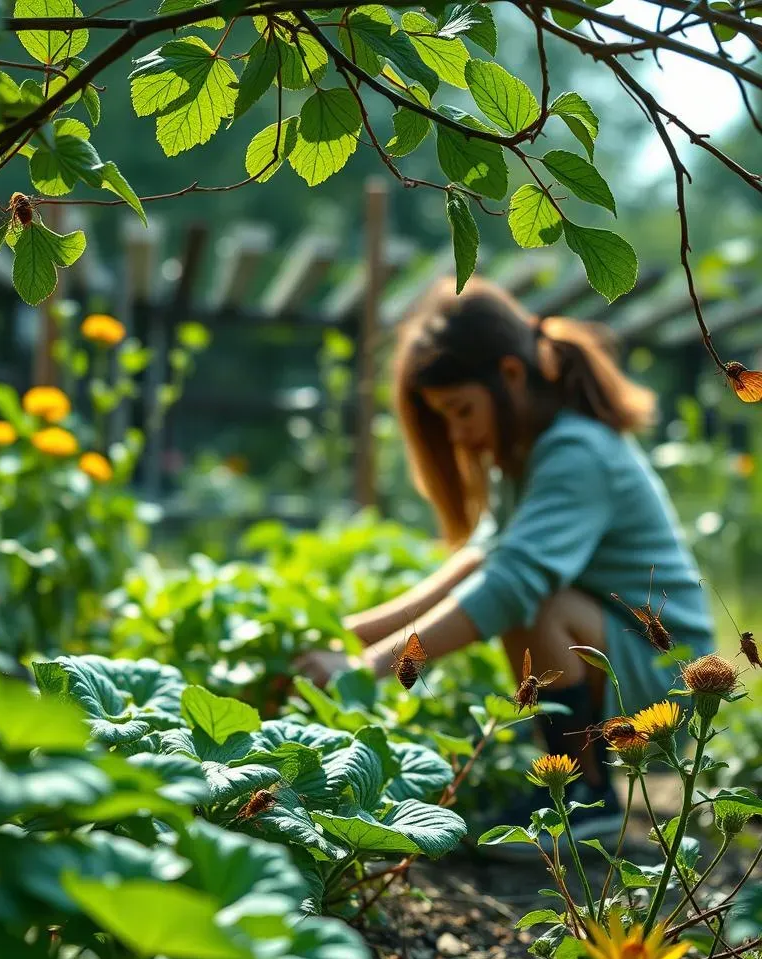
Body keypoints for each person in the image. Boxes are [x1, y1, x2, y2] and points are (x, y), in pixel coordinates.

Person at [296, 276, 715, 837]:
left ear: (511, 376)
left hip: (672, 679)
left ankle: (586, 794)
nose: (458, 434)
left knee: (535, 606)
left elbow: (511, 584)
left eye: (461, 410)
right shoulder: (525, 456)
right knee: (525, 597)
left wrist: (369, 669)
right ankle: (578, 784)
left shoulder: (577, 452)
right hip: (624, 656)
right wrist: (355, 637)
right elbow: (478, 560)